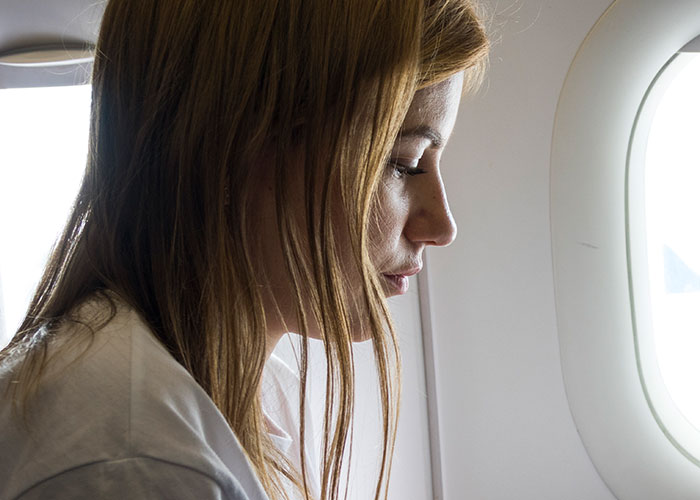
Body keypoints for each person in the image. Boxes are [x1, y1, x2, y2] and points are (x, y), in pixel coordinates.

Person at [0, 0, 488, 499]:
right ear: (234, 148)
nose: (441, 225)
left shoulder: (256, 392)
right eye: (402, 163)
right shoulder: (133, 457)